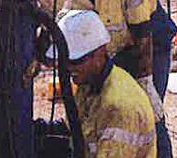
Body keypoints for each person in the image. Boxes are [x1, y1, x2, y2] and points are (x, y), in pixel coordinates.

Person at [39, 0, 177, 157]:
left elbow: (143, 33)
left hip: (144, 46)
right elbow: (47, 38)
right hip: (97, 53)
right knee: (95, 113)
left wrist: (145, 83)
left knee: (145, 113)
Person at [45, 10, 157, 158]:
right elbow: (77, 129)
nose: (69, 68)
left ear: (100, 52)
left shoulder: (118, 109)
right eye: (65, 61)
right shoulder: (89, 83)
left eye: (75, 61)